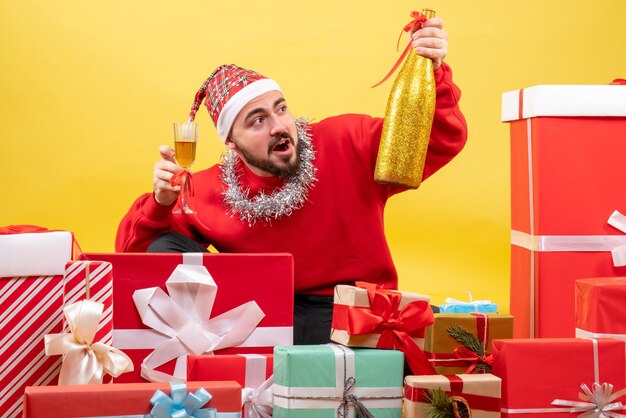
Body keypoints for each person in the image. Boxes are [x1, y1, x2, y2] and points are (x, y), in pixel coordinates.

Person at [116, 17, 467, 344]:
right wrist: (160, 204)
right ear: (231, 142)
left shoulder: (347, 140)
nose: (279, 126)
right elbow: (138, 259)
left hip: (359, 310)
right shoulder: (208, 190)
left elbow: (437, 142)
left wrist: (433, 72)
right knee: (168, 249)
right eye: (257, 121)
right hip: (266, 318)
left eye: (280, 109)